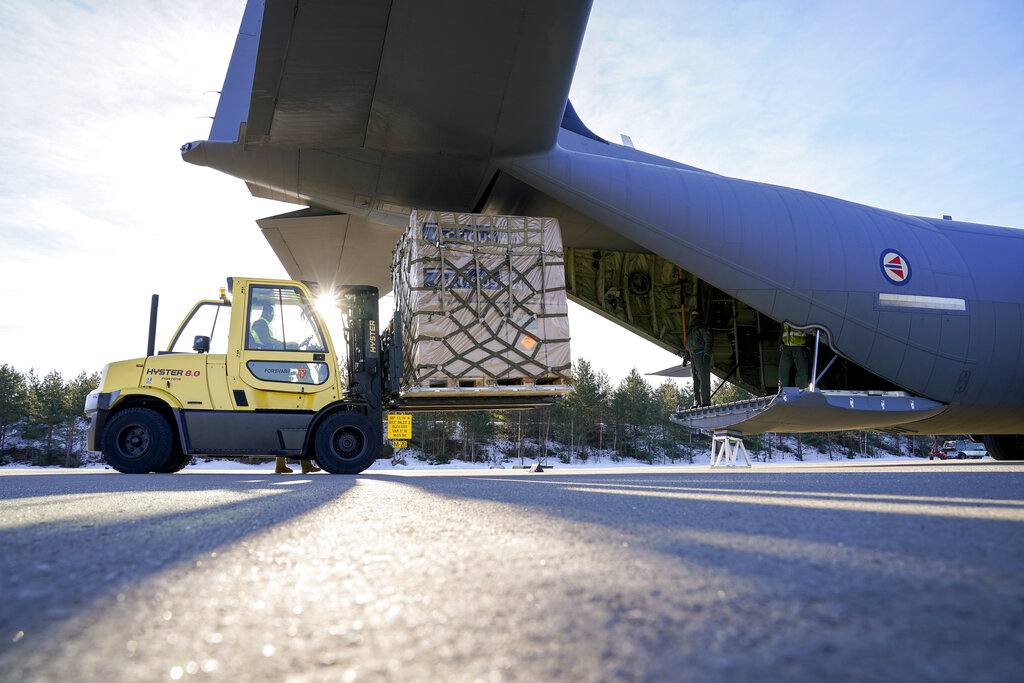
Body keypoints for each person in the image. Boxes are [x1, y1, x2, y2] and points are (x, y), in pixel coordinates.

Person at [684, 310, 713, 407]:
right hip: (693, 356)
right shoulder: (691, 330)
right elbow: (688, 345)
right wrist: (686, 357)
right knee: (695, 380)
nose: (693, 317)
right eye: (692, 315)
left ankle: (705, 401)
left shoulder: (702, 328)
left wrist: (707, 354)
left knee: (704, 379)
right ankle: (697, 402)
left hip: (701, 355)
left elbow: (708, 340)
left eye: (695, 315)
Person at [778, 322, 810, 389]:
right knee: (783, 370)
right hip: (786, 345)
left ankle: (801, 390)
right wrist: (780, 342)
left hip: (800, 345)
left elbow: (809, 329)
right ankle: (782, 390)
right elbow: (782, 329)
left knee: (802, 369)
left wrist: (807, 345)